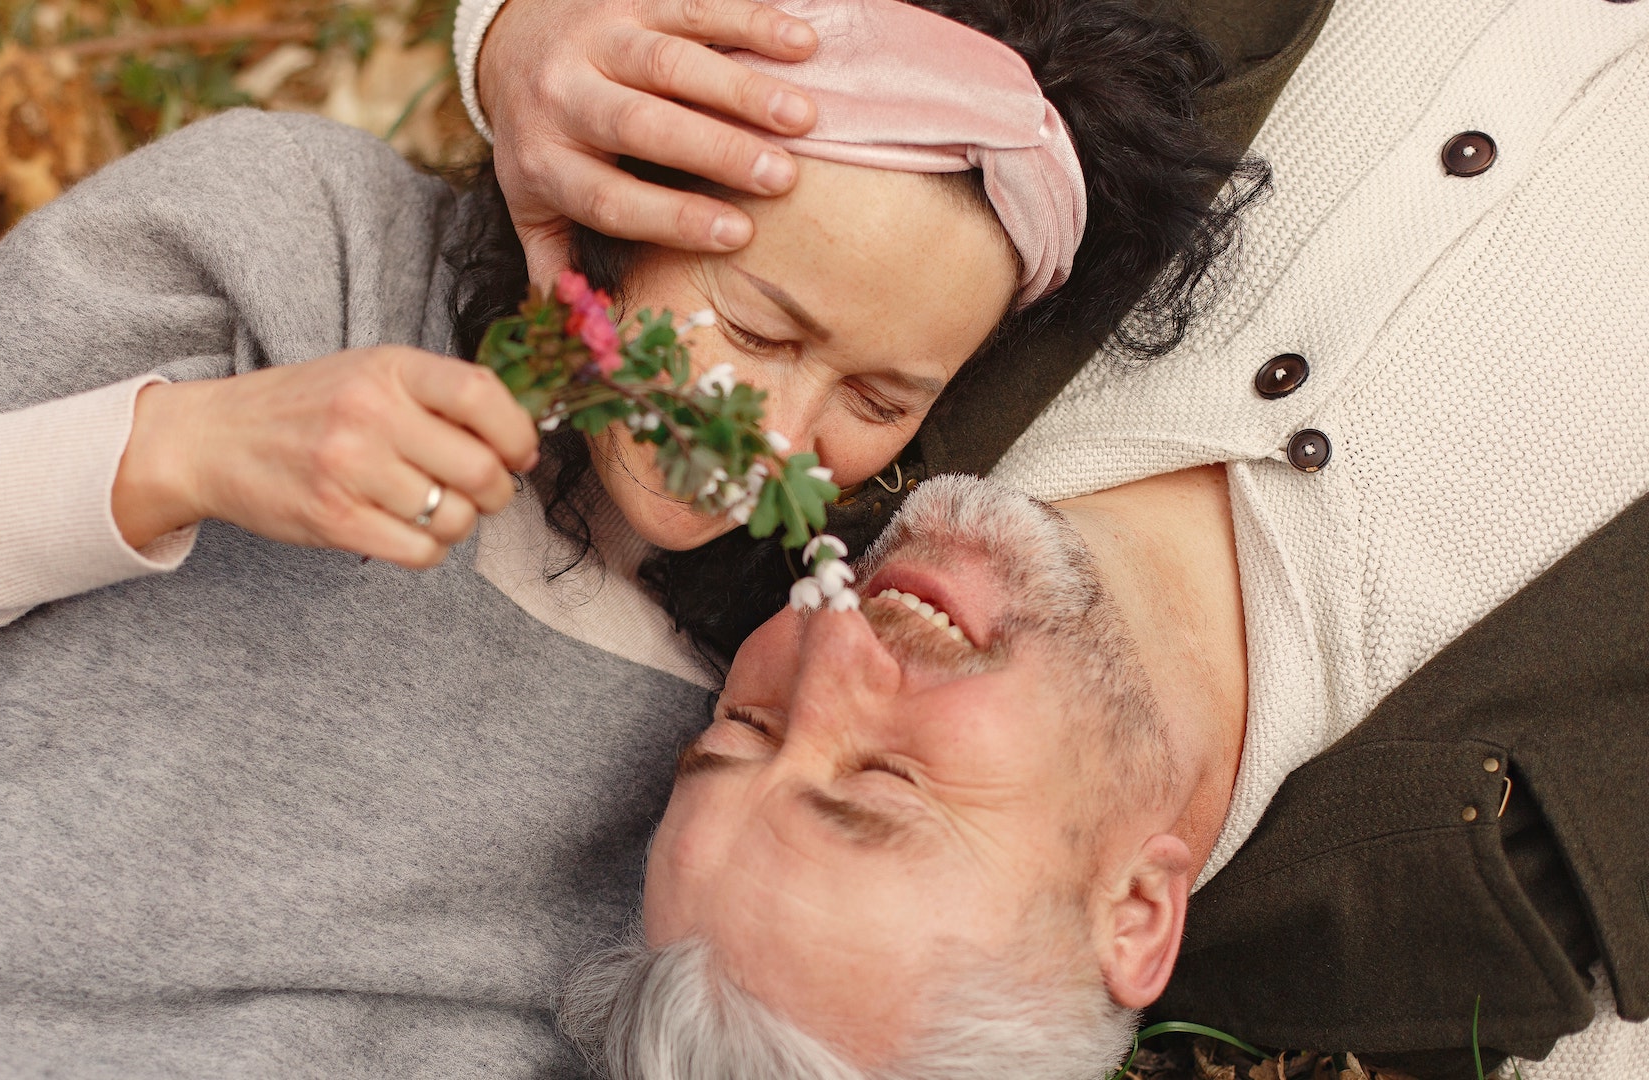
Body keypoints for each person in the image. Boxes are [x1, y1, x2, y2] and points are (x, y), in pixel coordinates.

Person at [0, 0, 1263, 1075]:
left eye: (873, 396)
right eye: (749, 324)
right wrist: (181, 454)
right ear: (610, 202)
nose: (780, 438)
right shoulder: (299, 244)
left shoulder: (738, 730)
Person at [458, 0, 1649, 1072]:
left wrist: (519, 39)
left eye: (742, 728)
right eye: (884, 781)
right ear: (1133, 911)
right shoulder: (1518, 906)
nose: (823, 654)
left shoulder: (880, 322)